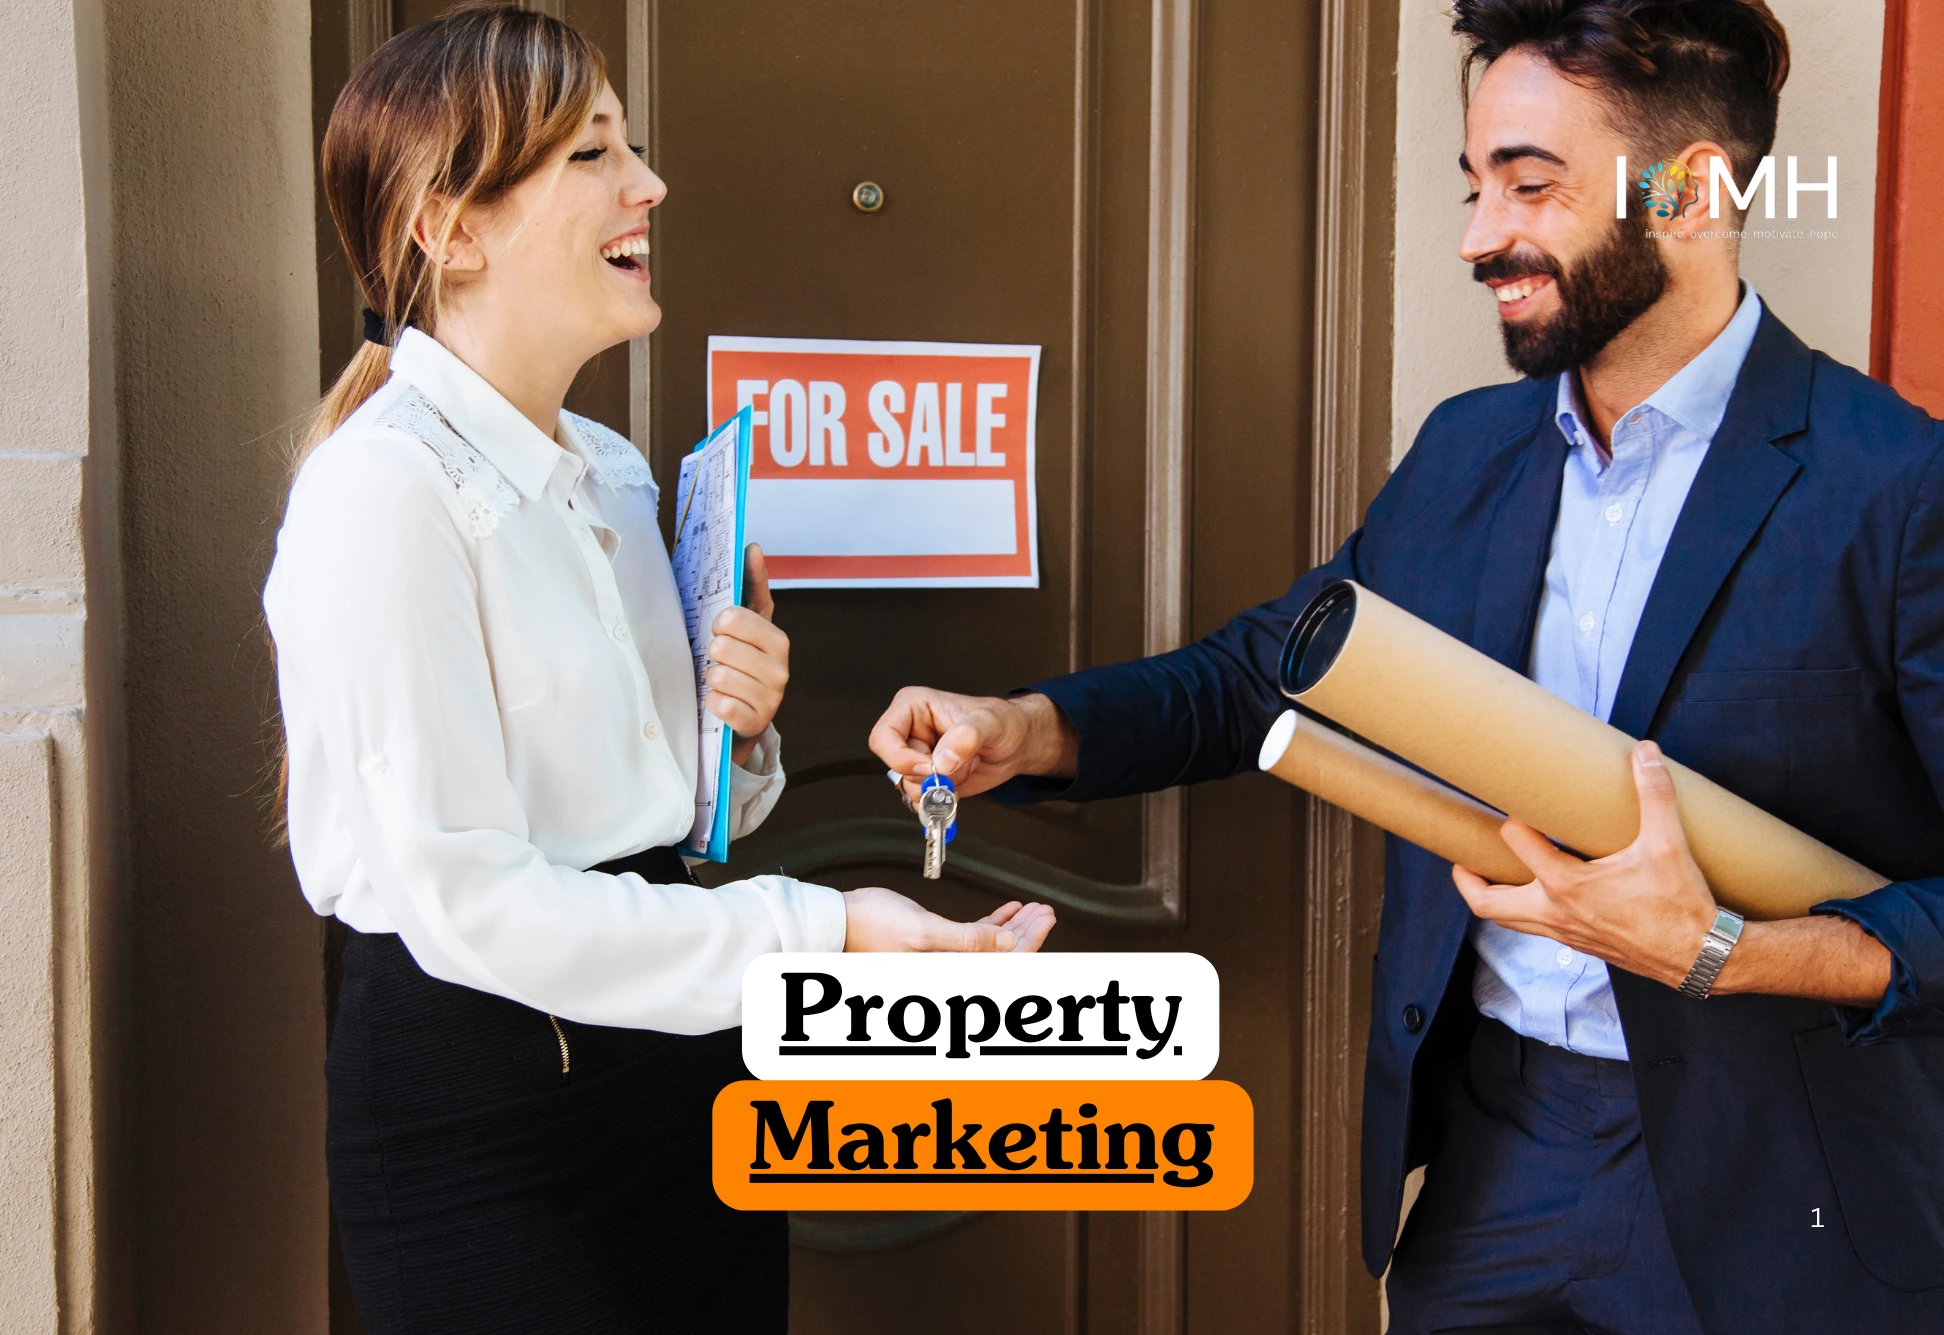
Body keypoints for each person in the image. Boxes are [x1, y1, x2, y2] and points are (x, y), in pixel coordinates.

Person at [871, 2, 1943, 1331]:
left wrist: (1728, 948)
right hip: (1497, 1158)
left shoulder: (1899, 486)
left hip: (1786, 1187)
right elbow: (1267, 674)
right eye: (1475, 181)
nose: (1478, 236)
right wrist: (1026, 726)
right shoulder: (1465, 452)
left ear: (1696, 189)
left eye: (1531, 184)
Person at [265, 7, 1055, 1332]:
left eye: (633, 146)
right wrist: (833, 925)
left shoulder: (622, 475)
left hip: (674, 1054)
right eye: (593, 154)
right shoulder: (383, 493)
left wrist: (736, 740)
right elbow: (473, 902)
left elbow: (673, 821)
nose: (651, 185)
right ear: (449, 230)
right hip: (492, 1108)